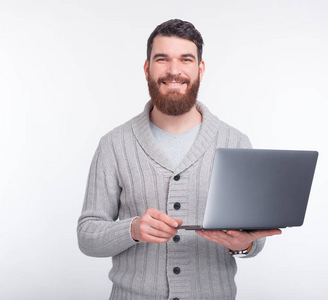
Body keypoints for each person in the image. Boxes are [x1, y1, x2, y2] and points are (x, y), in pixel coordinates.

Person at [77, 19, 281, 300]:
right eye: (162, 59)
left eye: (185, 59)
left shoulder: (236, 143)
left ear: (200, 69)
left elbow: (253, 240)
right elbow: (88, 236)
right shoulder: (114, 144)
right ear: (147, 68)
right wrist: (132, 229)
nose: (174, 70)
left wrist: (244, 244)